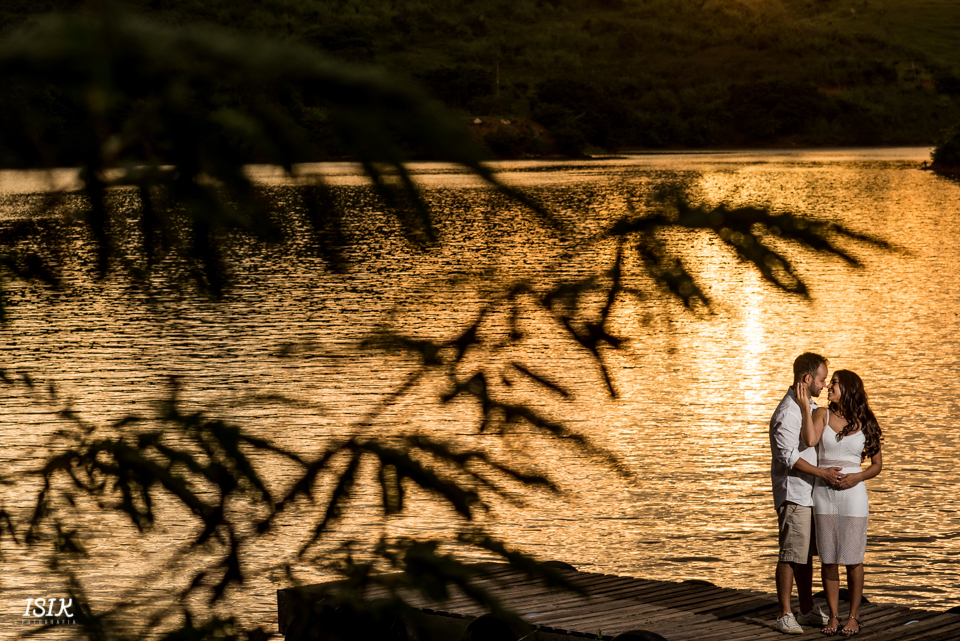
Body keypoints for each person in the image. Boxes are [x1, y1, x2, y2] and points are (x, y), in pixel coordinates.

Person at [796, 370, 883, 637]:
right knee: (829, 558)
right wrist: (803, 408)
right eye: (830, 381)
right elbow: (810, 441)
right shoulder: (821, 413)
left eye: (834, 382)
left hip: (854, 495)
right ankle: (834, 616)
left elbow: (877, 465)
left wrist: (857, 476)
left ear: (848, 388)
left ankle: (854, 617)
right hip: (824, 492)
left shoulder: (866, 420)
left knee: (854, 558)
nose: (829, 386)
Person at [770, 352, 839, 634]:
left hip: (812, 495)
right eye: (822, 379)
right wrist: (823, 473)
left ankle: (807, 608)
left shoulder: (808, 406)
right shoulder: (787, 412)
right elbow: (788, 457)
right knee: (790, 554)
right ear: (807, 378)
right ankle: (784, 613)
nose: (824, 385)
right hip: (794, 494)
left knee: (806, 554)